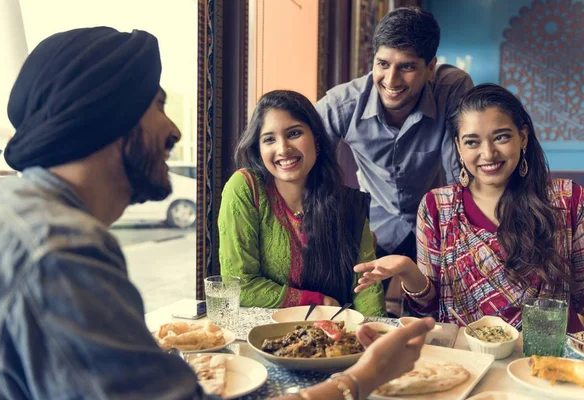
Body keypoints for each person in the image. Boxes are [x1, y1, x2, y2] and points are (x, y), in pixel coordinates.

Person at [0, 27, 435, 400]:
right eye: (158, 105)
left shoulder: (16, 215)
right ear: (106, 117)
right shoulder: (60, 252)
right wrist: (361, 379)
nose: (175, 129)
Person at [354, 84, 584, 333]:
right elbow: (429, 313)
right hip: (466, 360)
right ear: (459, 148)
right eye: (472, 142)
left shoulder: (566, 199)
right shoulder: (436, 208)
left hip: (546, 360)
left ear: (523, 137)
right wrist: (408, 271)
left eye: (501, 137)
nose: (488, 153)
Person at [316, 7, 473, 264]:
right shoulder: (342, 103)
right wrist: (341, 226)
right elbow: (308, 166)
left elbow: (460, 171)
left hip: (437, 225)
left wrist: (457, 241)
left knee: (438, 301)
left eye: (407, 67)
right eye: (383, 64)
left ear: (431, 67)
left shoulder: (451, 89)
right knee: (360, 303)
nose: (391, 80)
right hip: (372, 228)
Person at [219, 90, 386, 316]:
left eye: (294, 133)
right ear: (259, 149)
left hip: (335, 342)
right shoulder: (246, 189)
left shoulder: (349, 205)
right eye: (269, 139)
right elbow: (238, 285)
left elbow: (366, 287)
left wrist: (374, 336)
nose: (283, 149)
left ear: (316, 139)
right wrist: (315, 301)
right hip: (263, 339)